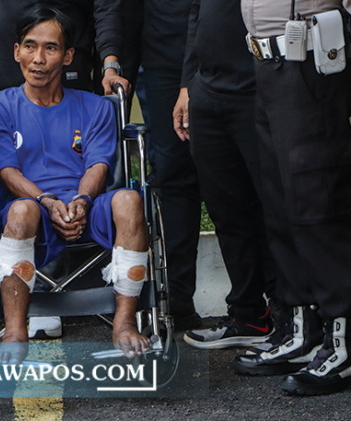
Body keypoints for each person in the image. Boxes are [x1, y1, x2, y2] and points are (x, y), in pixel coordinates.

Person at [0, 0, 131, 341]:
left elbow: (106, 7)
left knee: (59, 173)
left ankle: (43, 298)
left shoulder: (83, 94)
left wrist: (110, 63)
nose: (37, 57)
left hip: (66, 76)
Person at [0, 6, 151, 364]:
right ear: (17, 52)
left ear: (68, 56)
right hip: (28, 210)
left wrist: (82, 200)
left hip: (85, 205)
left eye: (51, 48)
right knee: (23, 210)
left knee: (130, 200)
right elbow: (7, 172)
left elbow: (98, 164)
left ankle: (124, 323)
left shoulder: (96, 107)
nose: (39, 59)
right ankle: (14, 331)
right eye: (30, 46)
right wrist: (47, 201)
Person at [232, 0, 351, 395]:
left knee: (320, 203)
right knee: (281, 205)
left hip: (312, 62)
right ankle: (302, 332)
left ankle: (343, 348)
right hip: (268, 64)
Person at [171, 0, 278, 350]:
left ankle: (289, 317)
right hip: (208, 91)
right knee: (226, 210)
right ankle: (249, 315)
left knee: (274, 208)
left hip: (261, 85)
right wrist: (188, 85)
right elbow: (196, 14)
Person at [141, 0, 203, 332]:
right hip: (159, 55)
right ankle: (177, 302)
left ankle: (255, 309)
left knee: (233, 179)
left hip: (221, 51)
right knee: (174, 179)